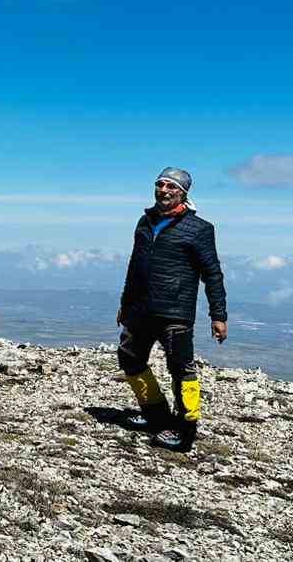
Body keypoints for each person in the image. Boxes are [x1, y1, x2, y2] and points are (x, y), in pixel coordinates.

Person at [115, 167, 228, 451]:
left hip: (175, 312)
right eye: (160, 184)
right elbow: (135, 266)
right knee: (129, 358)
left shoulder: (199, 229)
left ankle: (185, 430)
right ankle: (156, 415)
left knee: (181, 369)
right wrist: (125, 304)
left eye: (171, 186)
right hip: (140, 309)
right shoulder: (145, 222)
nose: (164, 190)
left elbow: (212, 273)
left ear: (183, 193)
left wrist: (218, 316)